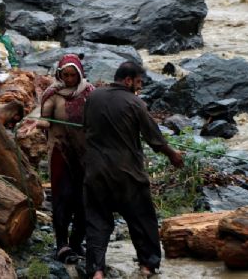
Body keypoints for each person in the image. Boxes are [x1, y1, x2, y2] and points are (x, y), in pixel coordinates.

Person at [83, 61, 184, 279]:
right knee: (142, 219)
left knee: (97, 223)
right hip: (127, 175)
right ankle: (147, 267)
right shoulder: (135, 103)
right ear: (128, 80)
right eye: (138, 82)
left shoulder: (93, 97)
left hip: (95, 173)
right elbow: (155, 140)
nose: (138, 88)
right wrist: (173, 155)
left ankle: (97, 271)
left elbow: (86, 129)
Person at [38, 53, 94, 264]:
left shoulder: (89, 93)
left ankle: (76, 241)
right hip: (61, 151)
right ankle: (62, 244)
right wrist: (43, 122)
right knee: (63, 197)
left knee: (83, 199)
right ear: (60, 74)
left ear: (79, 75)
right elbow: (44, 117)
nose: (69, 79)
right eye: (66, 75)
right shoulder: (53, 93)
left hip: (84, 154)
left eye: (73, 75)